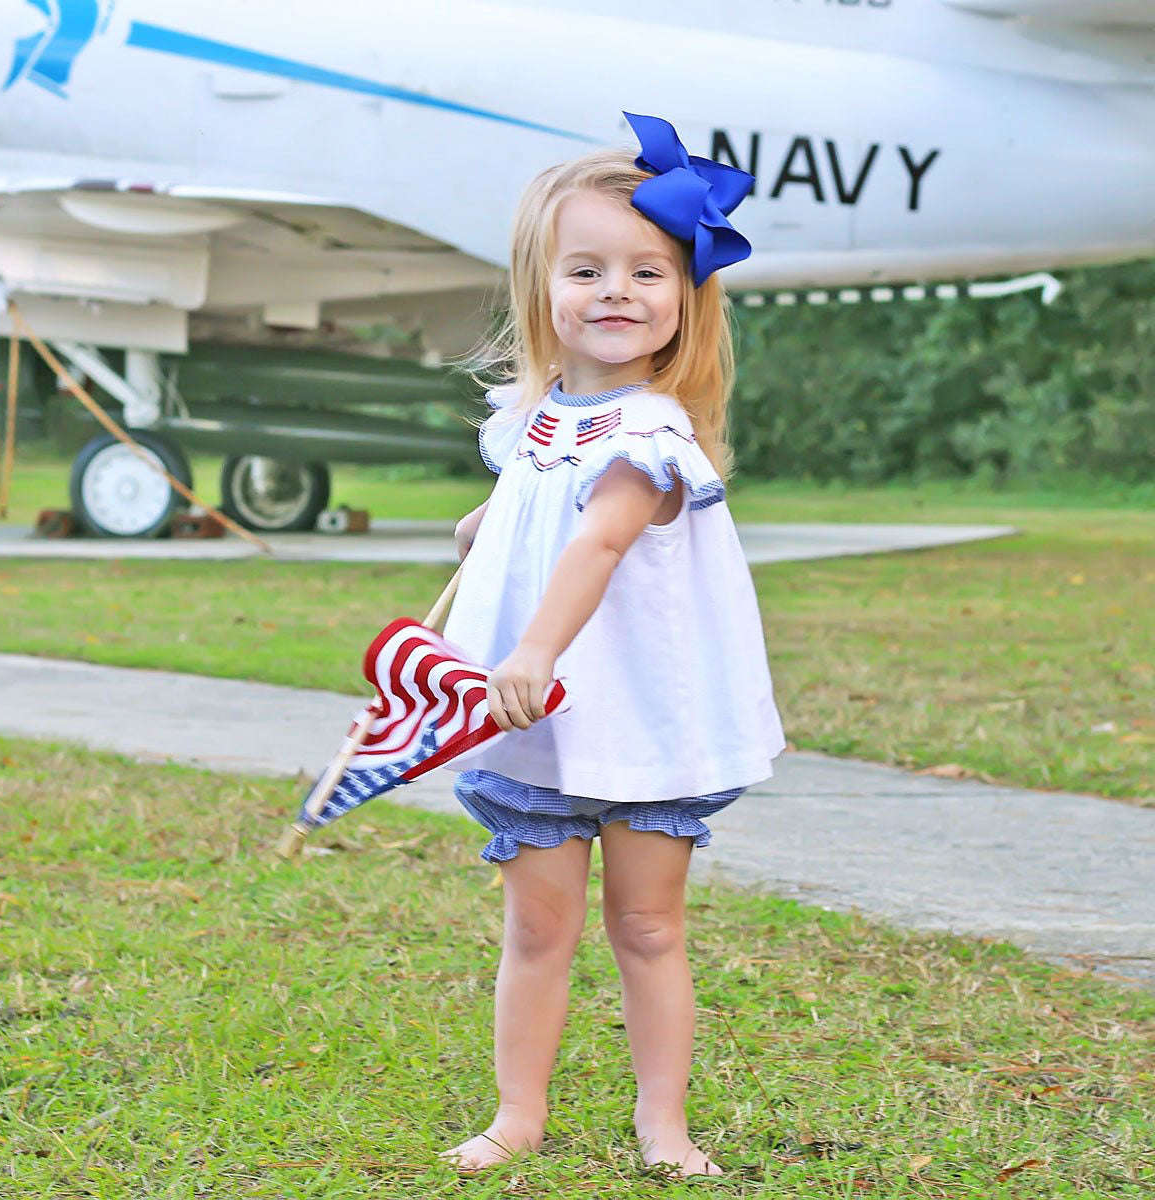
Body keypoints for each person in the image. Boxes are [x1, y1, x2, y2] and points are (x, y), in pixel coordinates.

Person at [437, 112, 785, 1179]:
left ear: (686, 297)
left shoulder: (649, 436)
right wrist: (461, 582)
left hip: (635, 717)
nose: (617, 292)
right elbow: (514, 523)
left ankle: (663, 1125)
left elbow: (598, 543)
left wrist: (534, 651)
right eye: (586, 268)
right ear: (540, 288)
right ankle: (517, 1113)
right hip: (535, 732)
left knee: (647, 929)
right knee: (536, 932)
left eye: (648, 271)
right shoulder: (531, 417)